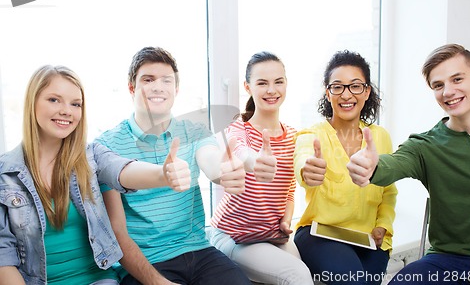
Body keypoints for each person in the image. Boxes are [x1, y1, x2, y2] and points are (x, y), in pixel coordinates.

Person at [0, 65, 191, 285]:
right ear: (32, 102)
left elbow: (121, 169)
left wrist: (162, 175)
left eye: (75, 104)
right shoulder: (5, 173)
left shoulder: (91, 155)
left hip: (98, 280)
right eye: (54, 100)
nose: (66, 110)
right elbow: (4, 259)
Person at [96, 46, 251, 285]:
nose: (158, 87)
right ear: (131, 87)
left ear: (176, 89)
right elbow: (117, 232)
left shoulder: (194, 130)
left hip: (198, 250)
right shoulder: (106, 145)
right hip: (146, 261)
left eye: (166, 80)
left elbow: (211, 161)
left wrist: (224, 171)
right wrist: (158, 282)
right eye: (148, 79)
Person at [347, 43, 470, 285]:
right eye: (438, 85)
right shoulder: (425, 145)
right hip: (444, 262)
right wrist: (371, 166)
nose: (448, 92)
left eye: (457, 79)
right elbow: (394, 164)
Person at [207, 51, 313, 285]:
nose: (271, 90)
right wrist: (255, 162)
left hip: (272, 237)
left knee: (303, 272)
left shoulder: (294, 137)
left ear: (286, 84)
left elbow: (288, 193)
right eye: (262, 83)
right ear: (248, 87)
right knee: (298, 276)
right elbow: (242, 155)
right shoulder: (238, 129)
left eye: (278, 82)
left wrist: (286, 220)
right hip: (234, 238)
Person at [293, 50, 397, 285]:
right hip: (319, 235)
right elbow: (303, 160)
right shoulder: (312, 134)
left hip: (368, 240)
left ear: (367, 91)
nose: (346, 94)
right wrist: (308, 170)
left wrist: (383, 226)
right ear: (327, 92)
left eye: (355, 86)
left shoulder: (380, 137)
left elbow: (388, 192)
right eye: (337, 87)